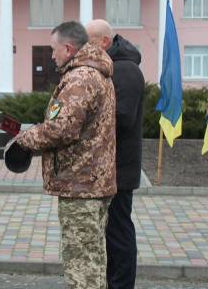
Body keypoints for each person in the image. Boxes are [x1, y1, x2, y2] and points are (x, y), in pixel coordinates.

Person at [14, 21, 117, 289]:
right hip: (96, 182)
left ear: (68, 48)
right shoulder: (99, 74)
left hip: (80, 185)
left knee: (80, 265)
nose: (51, 55)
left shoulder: (79, 78)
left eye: (53, 49)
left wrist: (25, 138)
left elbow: (61, 129)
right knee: (93, 260)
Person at [86, 19, 145, 289]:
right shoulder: (111, 68)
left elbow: (123, 117)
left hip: (119, 168)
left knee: (119, 232)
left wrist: (84, 124)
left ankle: (122, 285)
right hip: (107, 167)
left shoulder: (126, 70)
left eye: (89, 42)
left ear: (104, 42)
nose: (85, 48)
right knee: (109, 233)